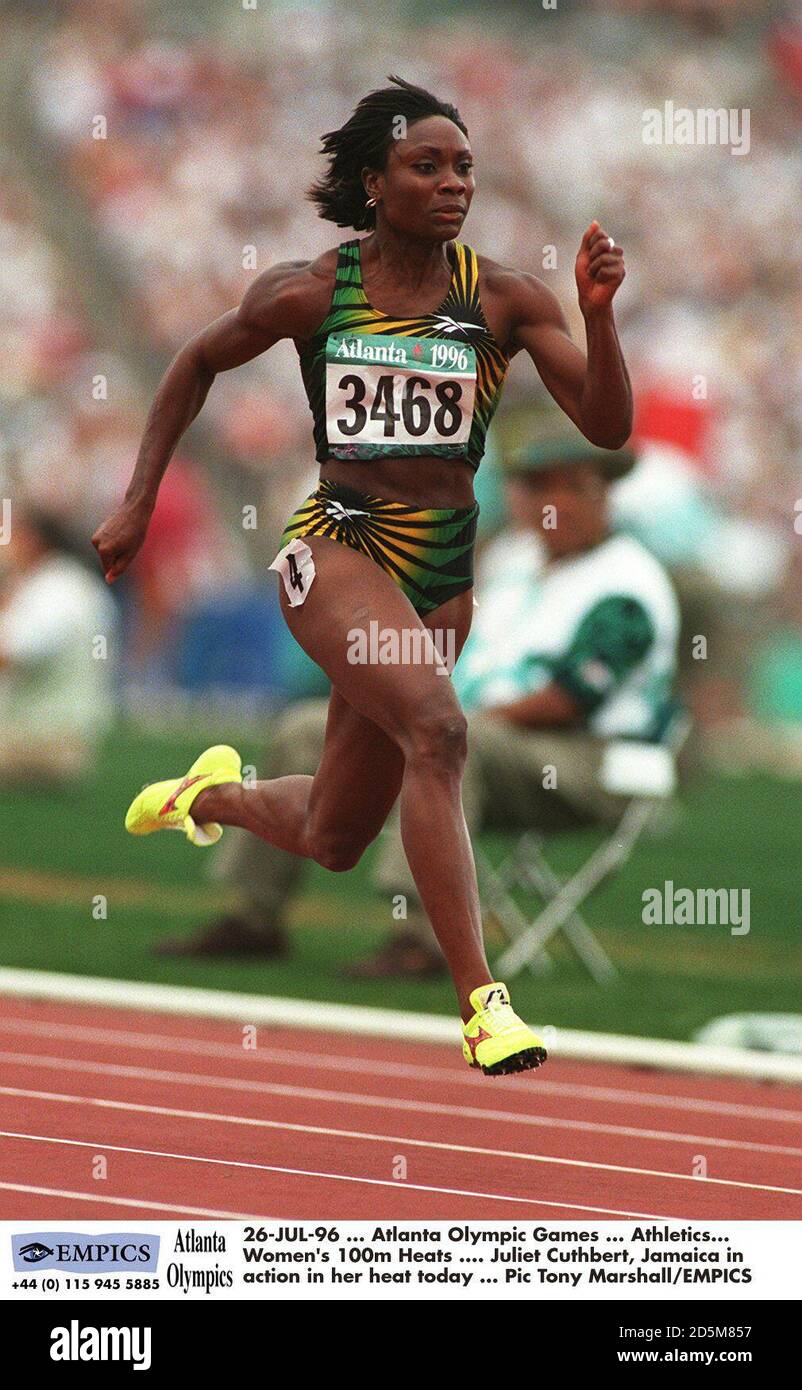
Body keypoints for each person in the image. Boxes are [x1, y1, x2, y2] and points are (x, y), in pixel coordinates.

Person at [91, 77, 632, 1076]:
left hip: (439, 579)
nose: (451, 182)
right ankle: (483, 1005)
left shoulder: (503, 296)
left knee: (335, 833)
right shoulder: (312, 290)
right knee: (439, 730)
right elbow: (194, 363)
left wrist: (599, 317)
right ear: (374, 183)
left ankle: (210, 798)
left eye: (463, 165)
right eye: (426, 166)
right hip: (336, 550)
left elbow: (605, 427)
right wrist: (136, 499)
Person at [157, 428, 679, 977]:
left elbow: (569, 699)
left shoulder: (629, 582)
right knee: (306, 729)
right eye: (538, 488)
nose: (552, 503)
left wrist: (441, 721)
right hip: (482, 730)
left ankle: (423, 937)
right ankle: (254, 915)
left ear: (602, 497)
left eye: (571, 489)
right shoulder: (512, 562)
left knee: (449, 743)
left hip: (583, 758)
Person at [0, 503, 118, 784]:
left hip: (48, 745)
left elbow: (12, 653)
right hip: (43, 738)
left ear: (31, 540)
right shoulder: (58, 583)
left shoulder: (57, 589)